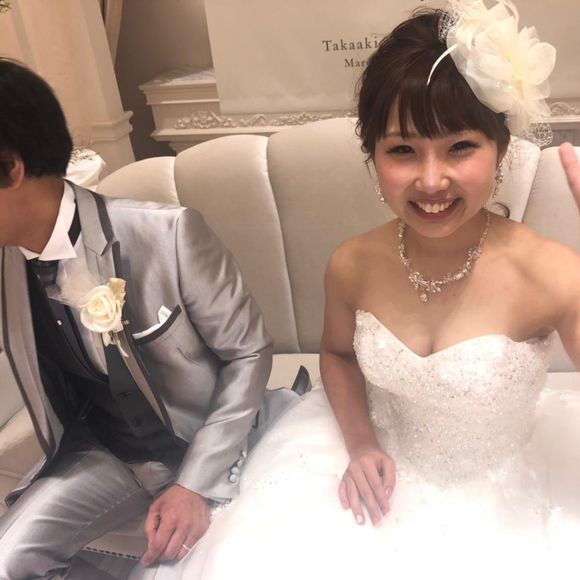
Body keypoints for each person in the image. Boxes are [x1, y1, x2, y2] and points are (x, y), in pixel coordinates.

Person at [141, 1, 580, 579]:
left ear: (499, 149)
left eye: (459, 147)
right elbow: (339, 354)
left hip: (508, 501)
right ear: (373, 157)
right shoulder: (353, 263)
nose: (431, 179)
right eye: (403, 150)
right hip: (371, 475)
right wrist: (362, 444)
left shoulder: (551, 272)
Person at [0, 58, 304, 579]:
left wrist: (194, 484)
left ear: (11, 168)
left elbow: (248, 351)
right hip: (108, 452)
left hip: (202, 438)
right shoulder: (9, 266)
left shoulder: (167, 234)